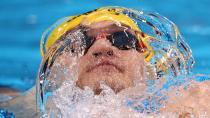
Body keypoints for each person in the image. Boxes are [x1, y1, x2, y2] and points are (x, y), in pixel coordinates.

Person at [1, 7, 210, 118]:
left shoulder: (193, 99)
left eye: (122, 39)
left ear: (144, 59)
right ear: (55, 67)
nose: (102, 48)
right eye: (80, 43)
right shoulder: (23, 106)